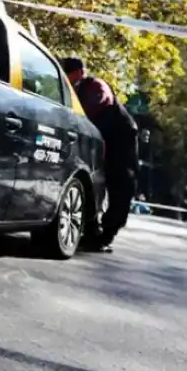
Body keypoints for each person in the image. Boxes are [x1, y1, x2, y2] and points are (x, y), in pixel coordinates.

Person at [61, 57, 139, 252]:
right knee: (92, 182)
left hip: (119, 141)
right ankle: (92, 230)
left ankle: (106, 235)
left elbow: (89, 110)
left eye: (67, 74)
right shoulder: (72, 89)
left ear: (77, 73)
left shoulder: (96, 87)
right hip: (96, 141)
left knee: (121, 185)